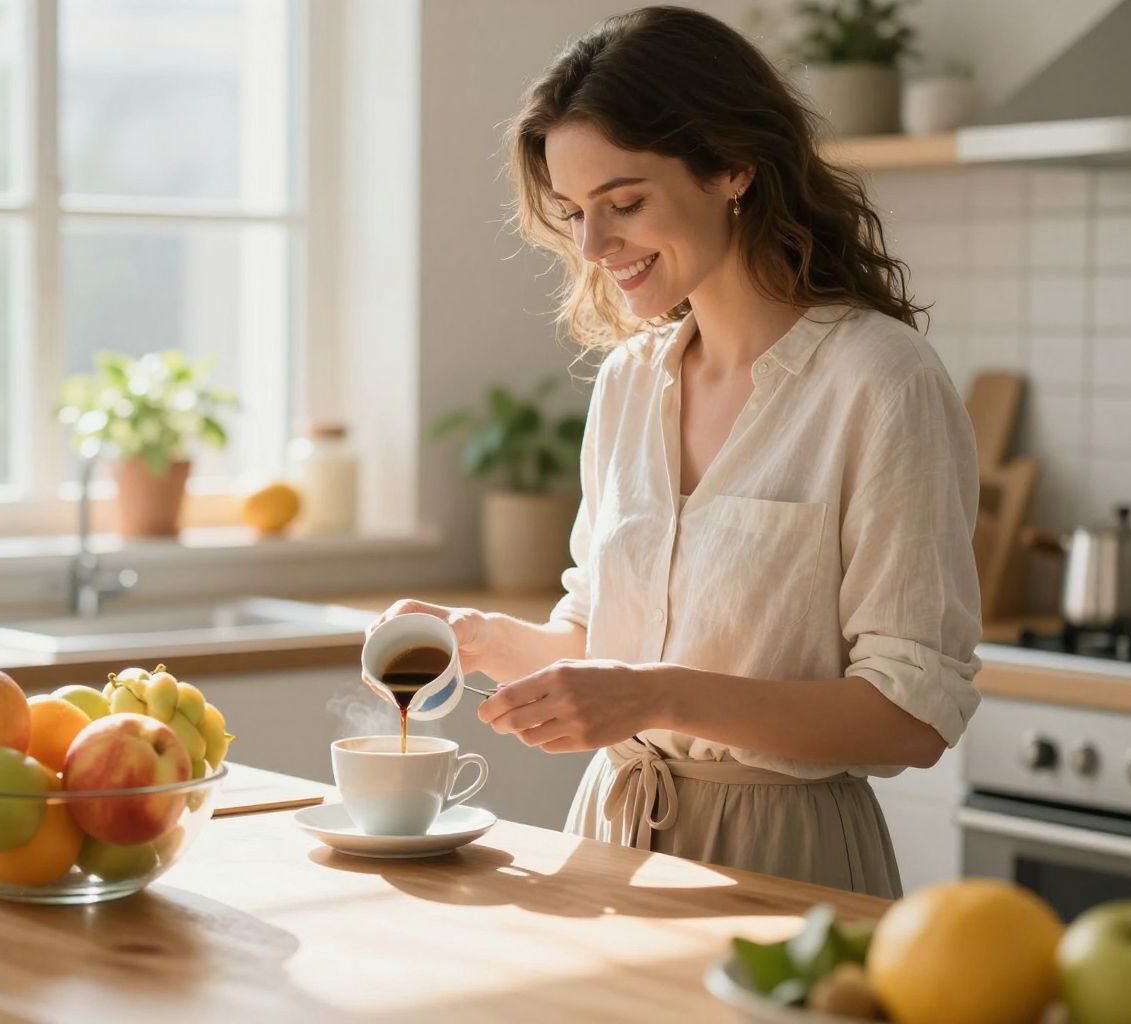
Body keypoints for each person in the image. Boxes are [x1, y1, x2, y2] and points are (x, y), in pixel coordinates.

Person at [374, 7, 982, 898]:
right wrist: (491, 643)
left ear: (734, 165)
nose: (592, 245)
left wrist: (656, 695)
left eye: (624, 203)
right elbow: (602, 640)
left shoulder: (879, 381)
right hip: (609, 844)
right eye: (576, 211)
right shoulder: (629, 380)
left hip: (786, 865)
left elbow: (910, 716)